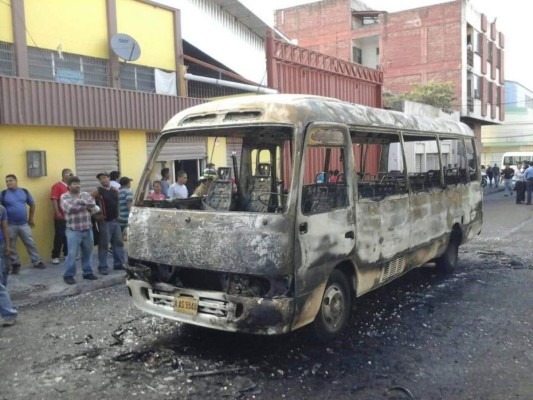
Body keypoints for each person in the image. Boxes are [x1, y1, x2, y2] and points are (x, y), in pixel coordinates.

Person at [0, 175, 45, 273]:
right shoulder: (3, 194)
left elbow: (32, 204)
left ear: (16, 181)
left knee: (30, 243)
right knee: (11, 246)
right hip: (9, 225)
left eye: (10, 180)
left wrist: (31, 218)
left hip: (24, 224)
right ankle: (15, 264)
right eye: (6, 181)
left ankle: (37, 261)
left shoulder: (24, 191)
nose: (8, 183)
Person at [60, 176, 98, 285]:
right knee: (72, 254)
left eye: (78, 183)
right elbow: (69, 208)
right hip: (73, 229)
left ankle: (87, 272)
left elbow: (93, 204)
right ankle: (68, 275)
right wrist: (84, 205)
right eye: (74, 184)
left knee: (88, 253)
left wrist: (79, 203)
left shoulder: (85, 194)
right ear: (69, 186)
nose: (77, 186)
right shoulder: (64, 196)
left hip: (87, 228)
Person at [91, 172, 125, 275]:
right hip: (104, 222)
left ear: (109, 178)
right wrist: (95, 215)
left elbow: (118, 203)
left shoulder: (115, 190)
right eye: (100, 179)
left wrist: (119, 215)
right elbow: (88, 201)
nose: (103, 180)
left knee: (118, 242)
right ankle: (102, 267)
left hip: (115, 221)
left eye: (104, 178)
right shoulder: (98, 191)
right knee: (104, 244)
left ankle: (119, 263)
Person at [50, 168, 73, 264]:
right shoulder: (57, 186)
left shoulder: (71, 186)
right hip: (60, 216)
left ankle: (67, 254)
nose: (71, 175)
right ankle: (55, 256)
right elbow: (54, 199)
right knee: (59, 236)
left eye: (72, 174)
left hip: (70, 216)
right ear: (64, 175)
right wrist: (57, 212)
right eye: (69, 174)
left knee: (69, 236)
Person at [0, 204, 11, 286]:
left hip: (1, 243)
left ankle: (3, 289)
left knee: (4, 269)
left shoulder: (1, 209)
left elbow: (5, 228)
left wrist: (7, 245)